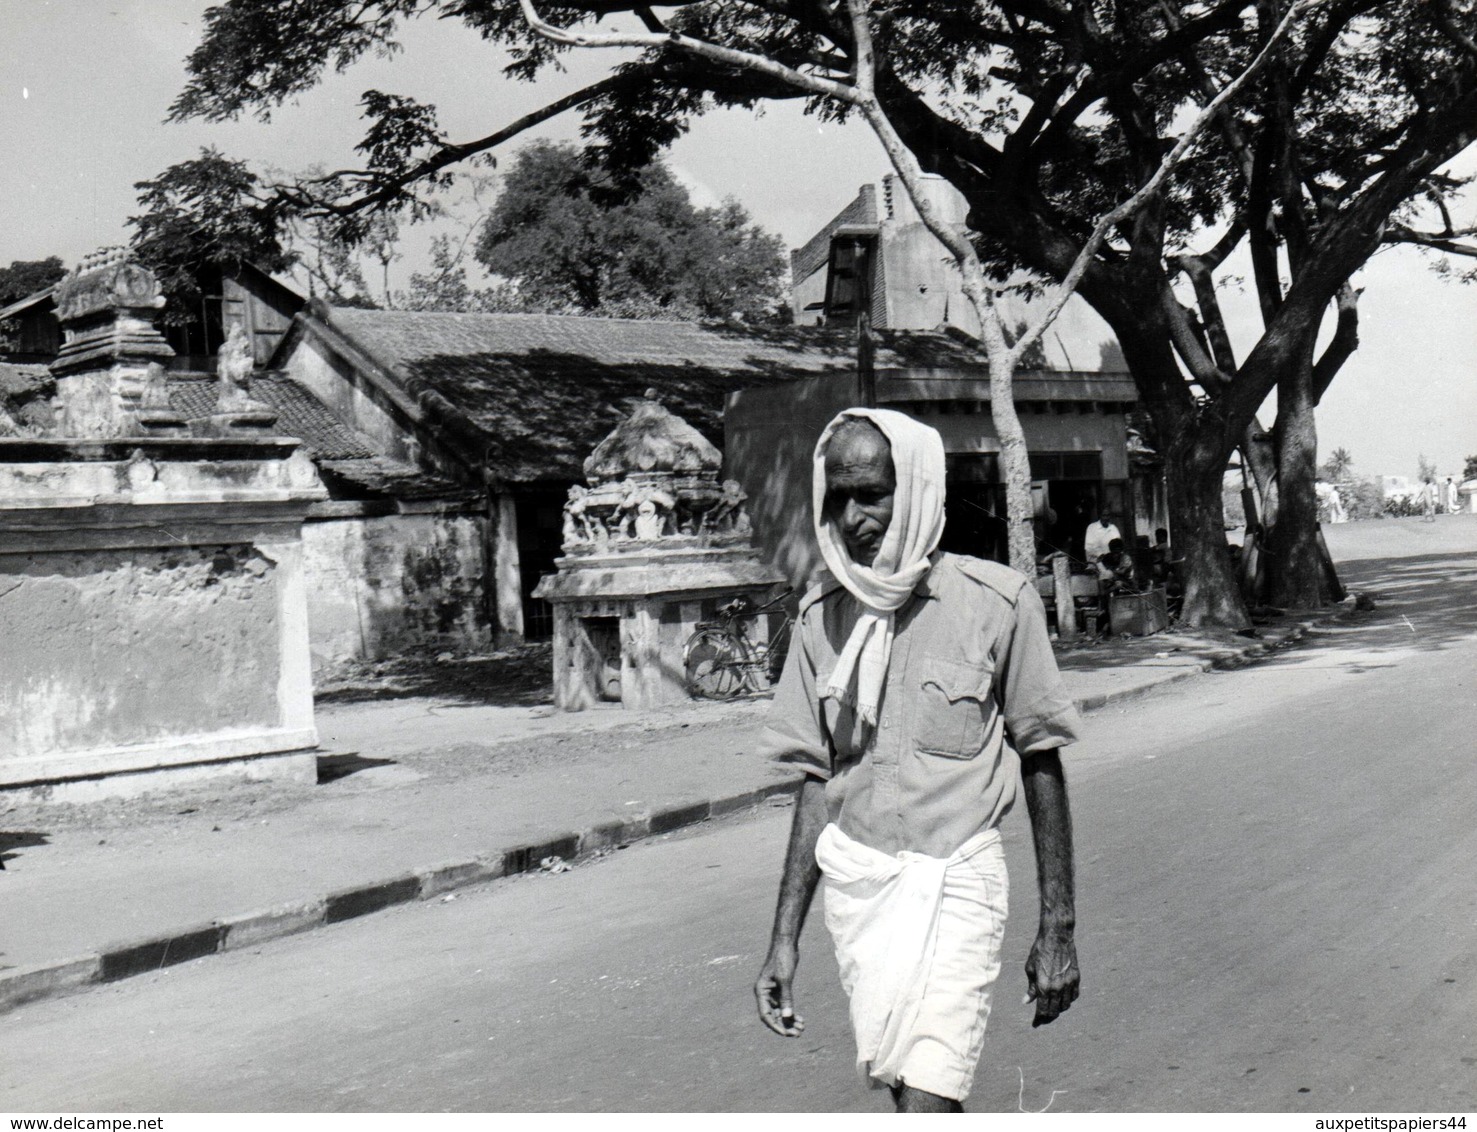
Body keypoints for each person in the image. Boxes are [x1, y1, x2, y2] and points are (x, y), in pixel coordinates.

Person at [753, 409, 1081, 1112]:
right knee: (906, 1091)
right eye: (837, 498)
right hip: (861, 890)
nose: (851, 518)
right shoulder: (819, 618)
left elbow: (1040, 760)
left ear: (918, 489)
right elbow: (816, 783)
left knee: (930, 1092)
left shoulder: (997, 603)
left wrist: (1057, 926)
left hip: (959, 882)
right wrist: (783, 940)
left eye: (869, 493)